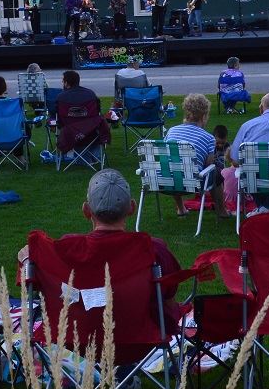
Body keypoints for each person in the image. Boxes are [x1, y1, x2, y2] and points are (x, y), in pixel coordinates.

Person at [66, 170, 184, 329]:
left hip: (78, 343)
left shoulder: (67, 249)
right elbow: (169, 302)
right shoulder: (153, 250)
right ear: (132, 208)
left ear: (86, 210)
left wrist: (26, 258)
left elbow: (49, 289)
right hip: (142, 345)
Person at [163, 94, 229, 219]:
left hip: (165, 181)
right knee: (215, 171)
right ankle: (222, 211)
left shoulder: (172, 131)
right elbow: (208, 165)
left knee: (174, 166)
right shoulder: (208, 138)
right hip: (192, 183)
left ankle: (181, 209)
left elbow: (166, 156)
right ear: (204, 116)